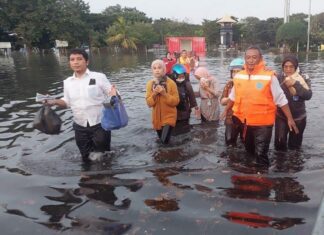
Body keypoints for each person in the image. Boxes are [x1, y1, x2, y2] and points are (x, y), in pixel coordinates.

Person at [221, 46, 299, 166]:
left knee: (261, 154)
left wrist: (289, 118)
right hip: (245, 123)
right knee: (249, 151)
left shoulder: (269, 77)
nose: (251, 60)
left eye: (254, 57)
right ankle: (250, 175)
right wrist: (226, 110)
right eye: (248, 57)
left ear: (260, 58)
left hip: (263, 124)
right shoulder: (238, 76)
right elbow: (233, 96)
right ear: (245, 59)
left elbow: (281, 99)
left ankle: (263, 179)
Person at [45, 48, 117, 162]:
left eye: (79, 59)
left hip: (100, 124)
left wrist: (114, 94)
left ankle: (105, 178)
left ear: (87, 62)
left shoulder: (98, 77)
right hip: (80, 126)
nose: (75, 62)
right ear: (69, 63)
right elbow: (67, 102)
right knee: (85, 158)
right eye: (72, 59)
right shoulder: (68, 82)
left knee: (103, 158)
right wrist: (53, 101)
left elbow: (112, 93)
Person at [275, 55, 312, 150]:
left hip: (299, 117)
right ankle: (279, 164)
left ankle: (294, 164)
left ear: (296, 67)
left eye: (291, 67)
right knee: (279, 144)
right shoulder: (278, 77)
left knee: (295, 148)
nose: (288, 69)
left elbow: (308, 95)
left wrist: (295, 84)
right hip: (281, 116)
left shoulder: (303, 77)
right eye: (285, 67)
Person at [146, 59, 179, 144]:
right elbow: (149, 104)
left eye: (159, 68)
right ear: (152, 71)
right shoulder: (150, 84)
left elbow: (176, 102)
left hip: (169, 117)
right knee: (163, 142)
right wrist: (154, 94)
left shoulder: (171, 83)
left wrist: (164, 94)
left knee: (164, 142)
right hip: (157, 119)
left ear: (164, 70)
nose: (157, 70)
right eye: (154, 68)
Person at [220, 58, 245, 146]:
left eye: (238, 71)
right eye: (233, 72)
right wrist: (231, 98)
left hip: (244, 119)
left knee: (245, 142)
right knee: (229, 141)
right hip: (230, 117)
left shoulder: (249, 84)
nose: (235, 74)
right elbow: (222, 101)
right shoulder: (229, 84)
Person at [171, 64, 199, 135]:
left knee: (185, 130)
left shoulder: (187, 84)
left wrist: (196, 107)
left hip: (185, 111)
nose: (181, 78)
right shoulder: (171, 84)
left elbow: (192, 97)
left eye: (183, 76)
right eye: (179, 76)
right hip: (174, 111)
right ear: (175, 75)